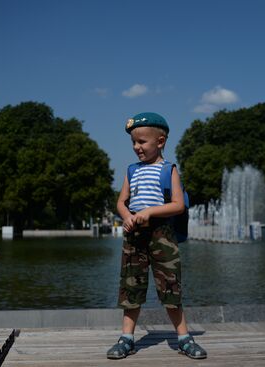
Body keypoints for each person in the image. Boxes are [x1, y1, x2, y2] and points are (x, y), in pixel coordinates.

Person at [106, 112, 207, 360]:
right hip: (135, 234)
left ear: (160, 142)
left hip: (162, 234)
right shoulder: (132, 171)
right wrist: (126, 215)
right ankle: (126, 337)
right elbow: (120, 202)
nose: (136, 147)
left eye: (142, 142)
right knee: (131, 286)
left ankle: (183, 337)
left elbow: (178, 205)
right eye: (134, 142)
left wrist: (150, 212)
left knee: (170, 285)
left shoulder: (168, 169)